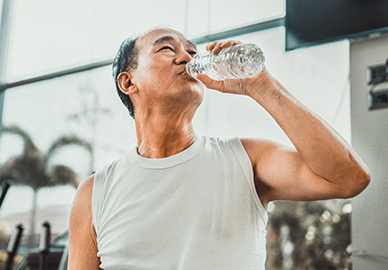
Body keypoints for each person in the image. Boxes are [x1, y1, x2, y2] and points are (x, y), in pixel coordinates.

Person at [67, 28, 370, 270]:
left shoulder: (245, 160)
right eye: (167, 48)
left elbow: (348, 178)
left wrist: (262, 86)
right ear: (128, 82)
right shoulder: (95, 192)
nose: (186, 56)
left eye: (191, 51)